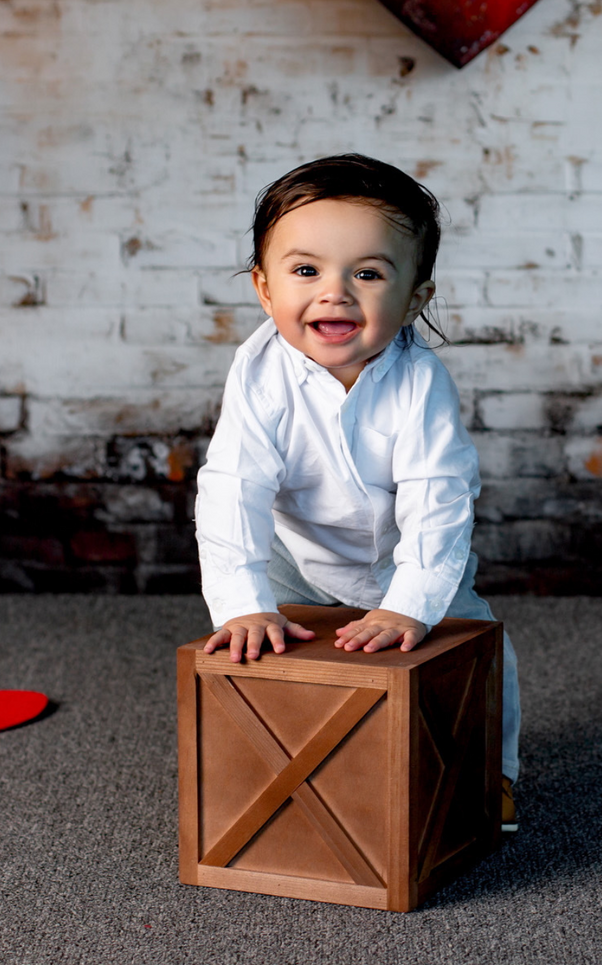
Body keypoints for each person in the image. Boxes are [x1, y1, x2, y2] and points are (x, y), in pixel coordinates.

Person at [194, 153, 521, 831]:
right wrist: (242, 602)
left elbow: (438, 493)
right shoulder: (258, 374)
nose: (334, 293)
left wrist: (410, 603)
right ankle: (291, 776)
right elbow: (234, 487)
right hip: (298, 552)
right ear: (263, 287)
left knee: (481, 645)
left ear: (414, 299)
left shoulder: (419, 382)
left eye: (367, 273)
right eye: (305, 270)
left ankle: (491, 774)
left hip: (409, 554)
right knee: (265, 650)